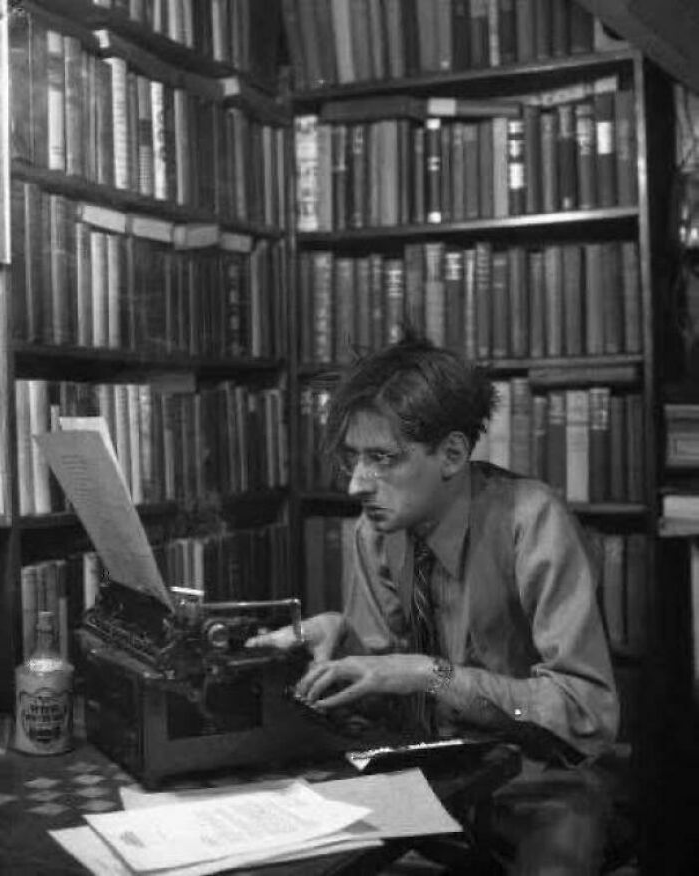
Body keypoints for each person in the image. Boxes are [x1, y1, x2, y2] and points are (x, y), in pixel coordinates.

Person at [247, 334, 620, 874]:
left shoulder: (532, 521)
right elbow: (385, 682)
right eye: (354, 459)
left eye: (382, 459)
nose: (356, 484)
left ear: (451, 454)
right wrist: (340, 639)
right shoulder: (375, 530)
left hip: (537, 781)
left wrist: (434, 676)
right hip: (421, 771)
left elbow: (587, 712)